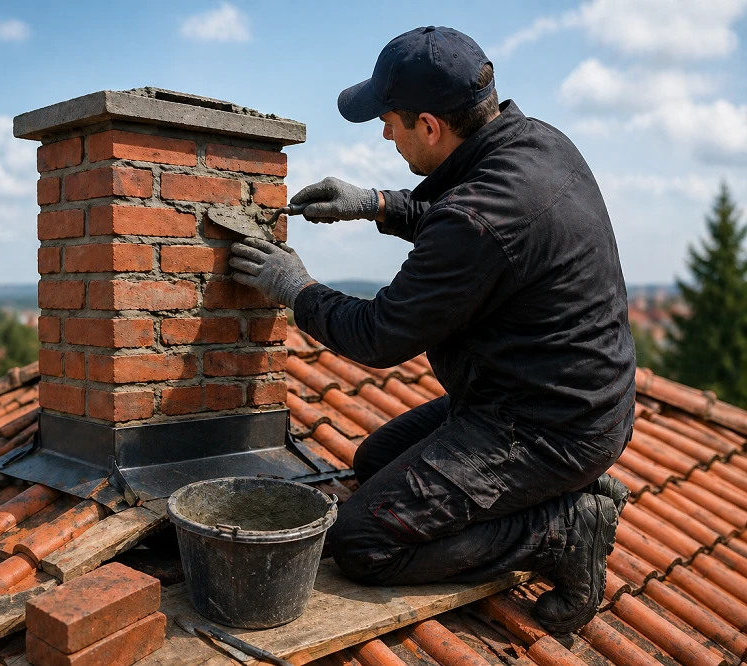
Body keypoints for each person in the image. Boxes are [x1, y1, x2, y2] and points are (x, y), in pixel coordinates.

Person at [227, 26, 636, 635]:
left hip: (546, 427)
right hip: (557, 396)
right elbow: (469, 225)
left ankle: (562, 530)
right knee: (374, 461)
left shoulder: (480, 216)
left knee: (364, 542)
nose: (385, 135)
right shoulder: (536, 143)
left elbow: (380, 334)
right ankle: (559, 493)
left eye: (389, 122)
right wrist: (377, 203)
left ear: (429, 125)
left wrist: (295, 289)